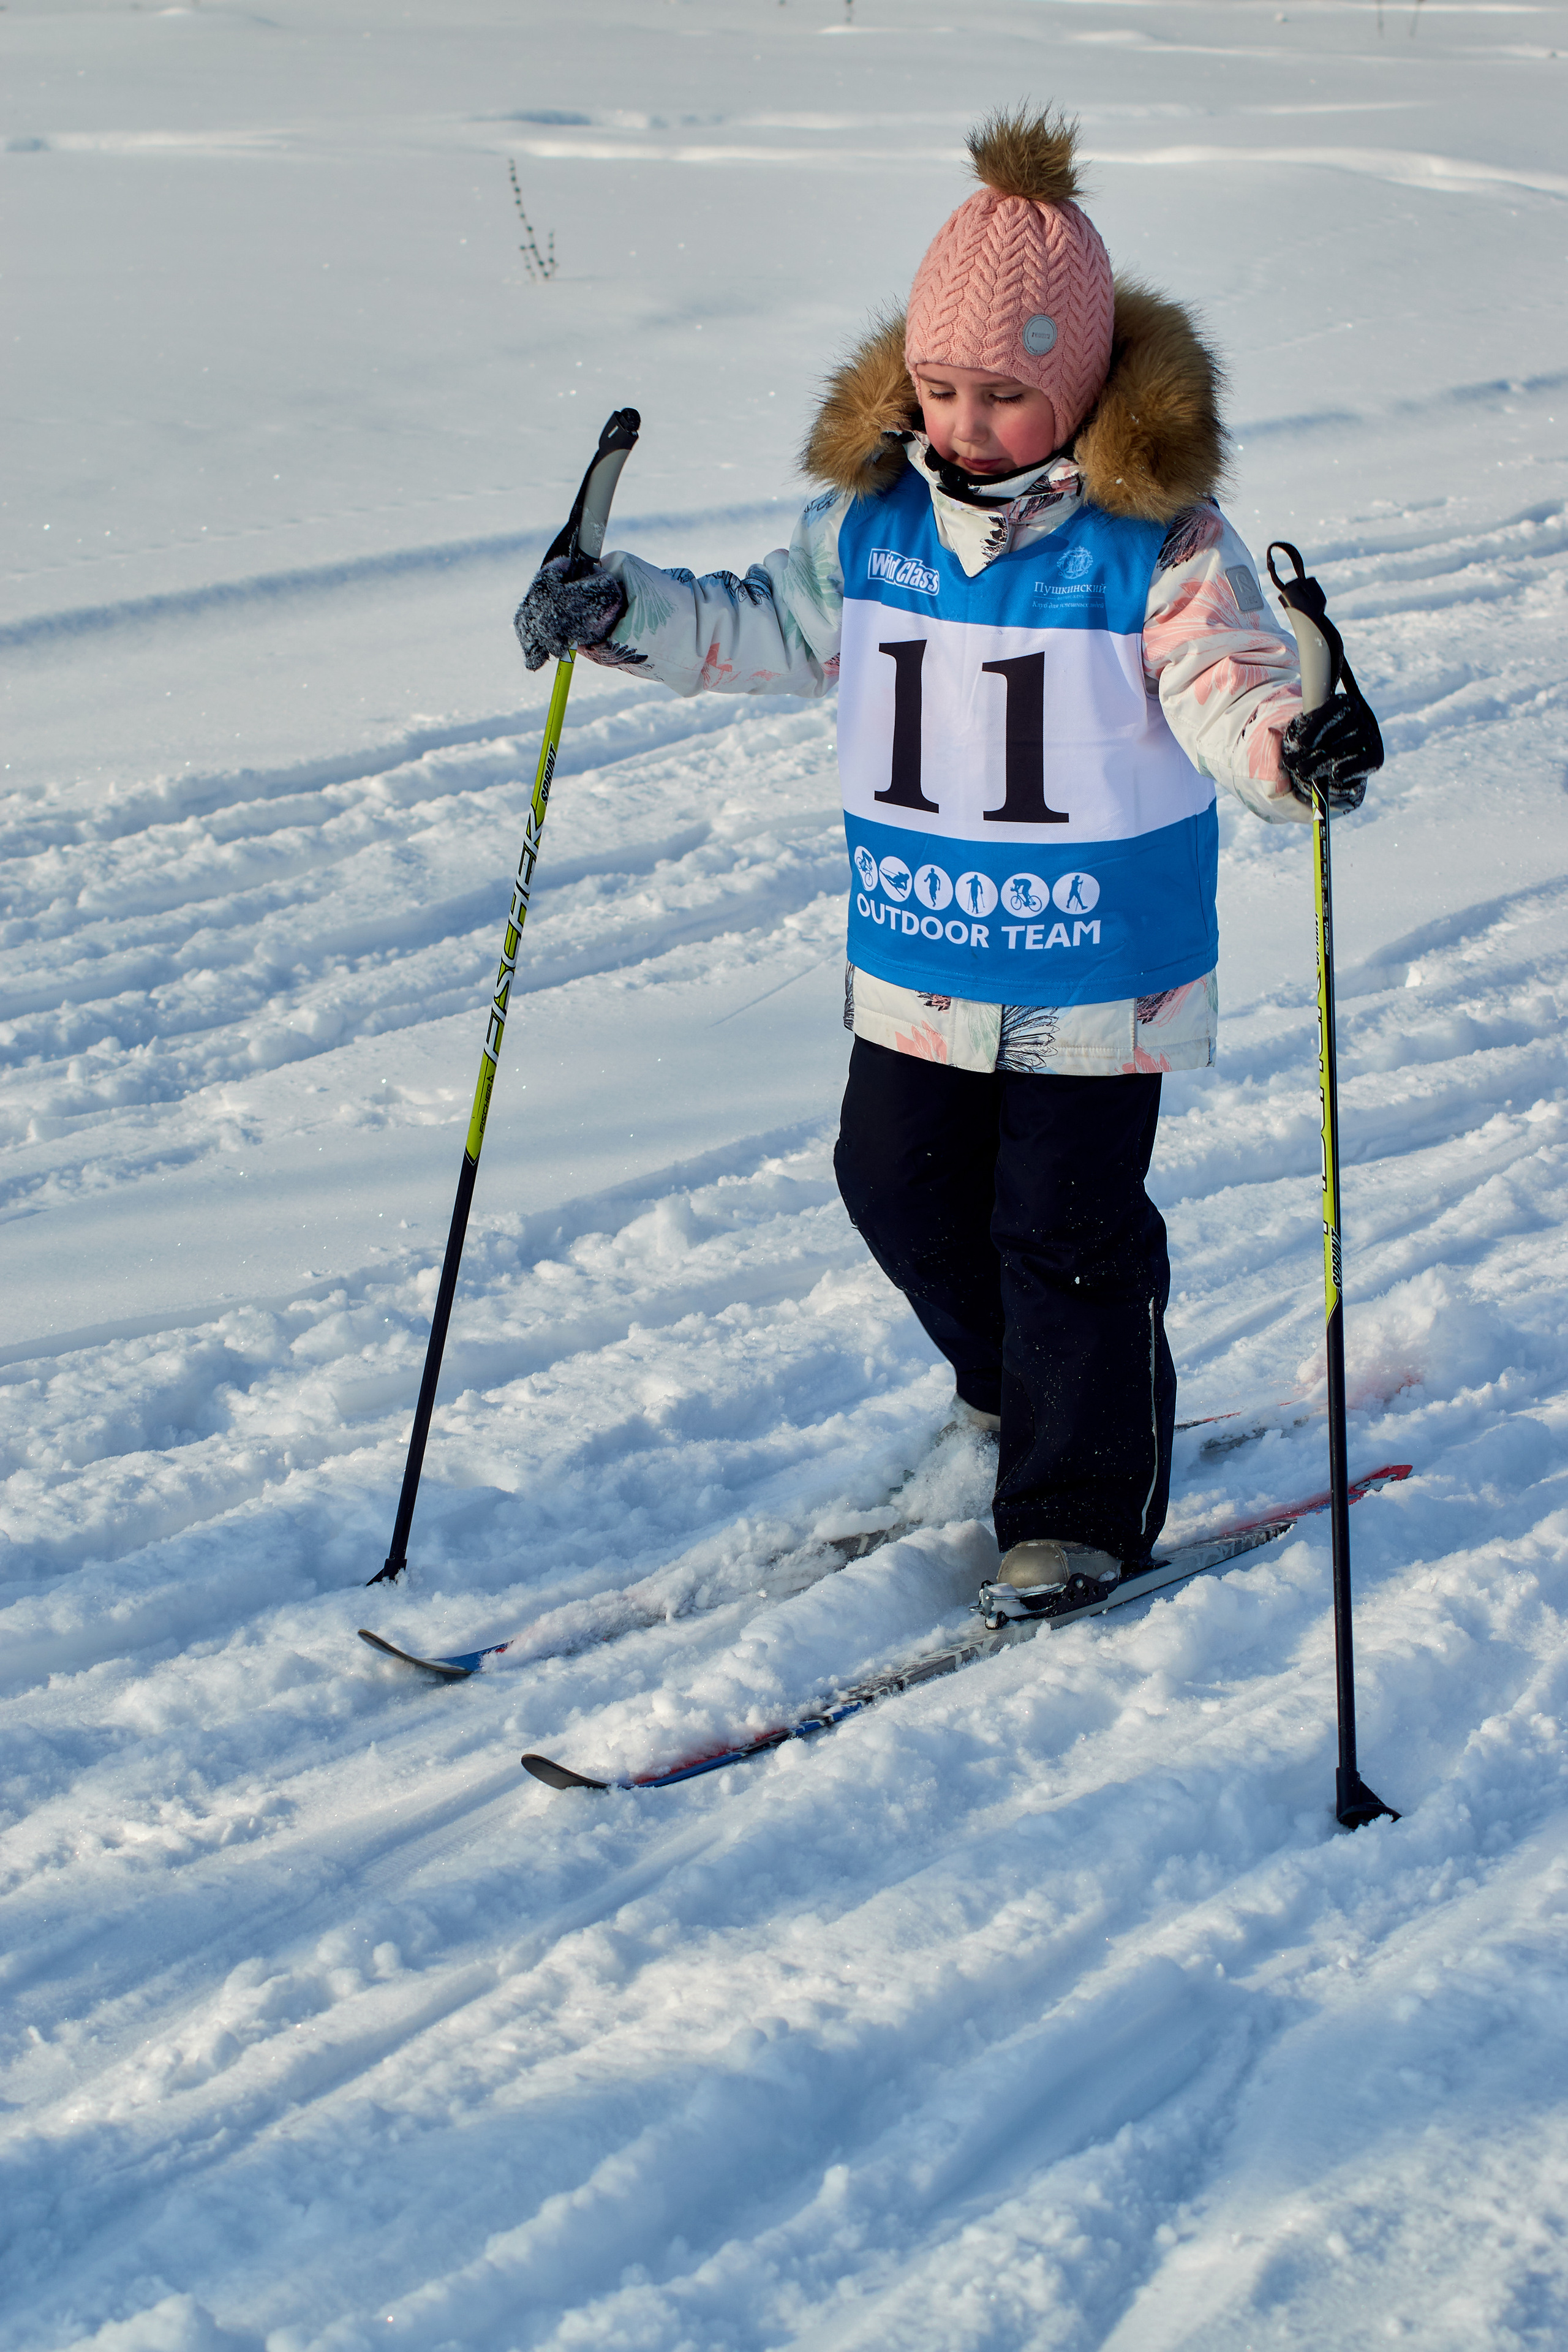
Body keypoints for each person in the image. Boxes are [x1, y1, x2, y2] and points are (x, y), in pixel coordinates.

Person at [513, 107, 1383, 1603]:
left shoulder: (1155, 546)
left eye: (999, 395)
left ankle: (1079, 1502)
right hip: (918, 948)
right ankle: (1012, 1389)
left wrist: (1289, 747)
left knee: (1065, 1229)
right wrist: (617, 609)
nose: (962, 423)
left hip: (1095, 964)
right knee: (892, 1184)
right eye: (937, 387)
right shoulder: (865, 526)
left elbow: (1227, 685)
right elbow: (763, 626)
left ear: (1080, 386)